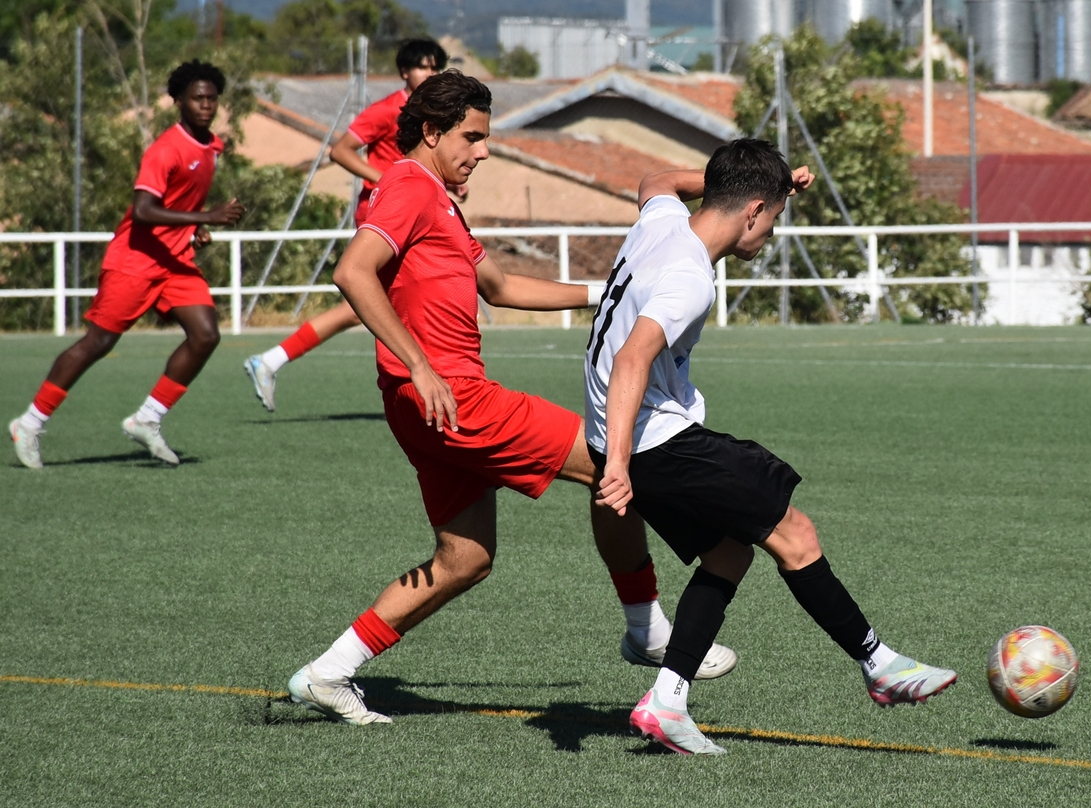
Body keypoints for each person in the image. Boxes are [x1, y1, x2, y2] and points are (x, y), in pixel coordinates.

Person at [285, 71, 735, 725]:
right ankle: (646, 629)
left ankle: (327, 673)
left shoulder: (437, 199)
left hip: (426, 407)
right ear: (431, 132)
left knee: (464, 559)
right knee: (614, 460)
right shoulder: (407, 186)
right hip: (454, 397)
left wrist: (607, 292)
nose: (485, 150)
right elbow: (352, 272)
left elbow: (499, 287)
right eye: (472, 137)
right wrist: (421, 366)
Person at [587, 139, 957, 756]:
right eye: (775, 215)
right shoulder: (690, 278)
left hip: (617, 437)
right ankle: (881, 666)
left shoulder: (661, 222)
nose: (772, 231)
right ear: (753, 210)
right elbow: (632, 359)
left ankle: (667, 702)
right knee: (796, 535)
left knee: (729, 554)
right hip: (655, 444)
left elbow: (655, 179)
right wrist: (621, 465)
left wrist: (763, 179)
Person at [9, 60, 245, 469]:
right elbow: (143, 210)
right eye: (197, 98)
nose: (206, 105)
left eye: (212, 98)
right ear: (179, 101)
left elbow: (178, 202)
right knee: (97, 343)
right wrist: (206, 216)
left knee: (206, 335)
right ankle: (29, 423)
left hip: (175, 260)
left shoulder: (211, 147)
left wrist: (193, 228)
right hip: (135, 261)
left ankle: (147, 419)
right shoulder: (165, 149)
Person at [244, 38, 459, 413]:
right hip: (383, 215)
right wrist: (384, 178)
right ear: (404, 72)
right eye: (423, 66)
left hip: (411, 212)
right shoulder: (387, 110)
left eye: (435, 67)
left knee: (387, 302)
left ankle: (273, 360)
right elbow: (341, 150)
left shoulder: (432, 115)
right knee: (370, 303)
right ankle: (272, 359)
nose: (430, 73)